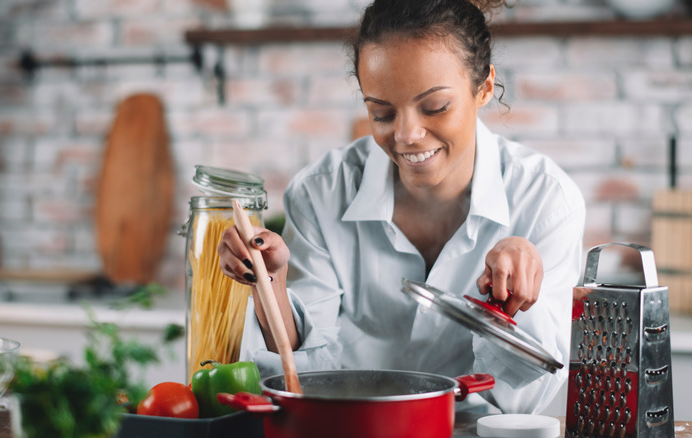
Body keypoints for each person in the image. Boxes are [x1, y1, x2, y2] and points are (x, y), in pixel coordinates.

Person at [218, 0, 586, 414]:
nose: (408, 134)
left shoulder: (545, 201)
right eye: (382, 113)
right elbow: (304, 379)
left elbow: (523, 398)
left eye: (435, 107)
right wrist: (274, 284)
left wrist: (513, 301)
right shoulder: (321, 193)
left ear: (483, 88)